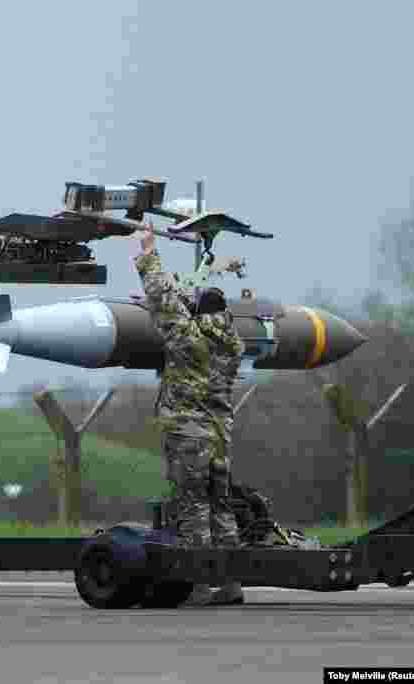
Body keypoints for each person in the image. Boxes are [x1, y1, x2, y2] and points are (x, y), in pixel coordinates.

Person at [133, 230, 246, 606]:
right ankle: (230, 584)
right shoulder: (232, 343)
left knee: (192, 505)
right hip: (220, 434)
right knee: (221, 504)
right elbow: (180, 306)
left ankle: (198, 583)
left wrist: (149, 253)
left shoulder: (189, 338)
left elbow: (163, 300)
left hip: (189, 434)